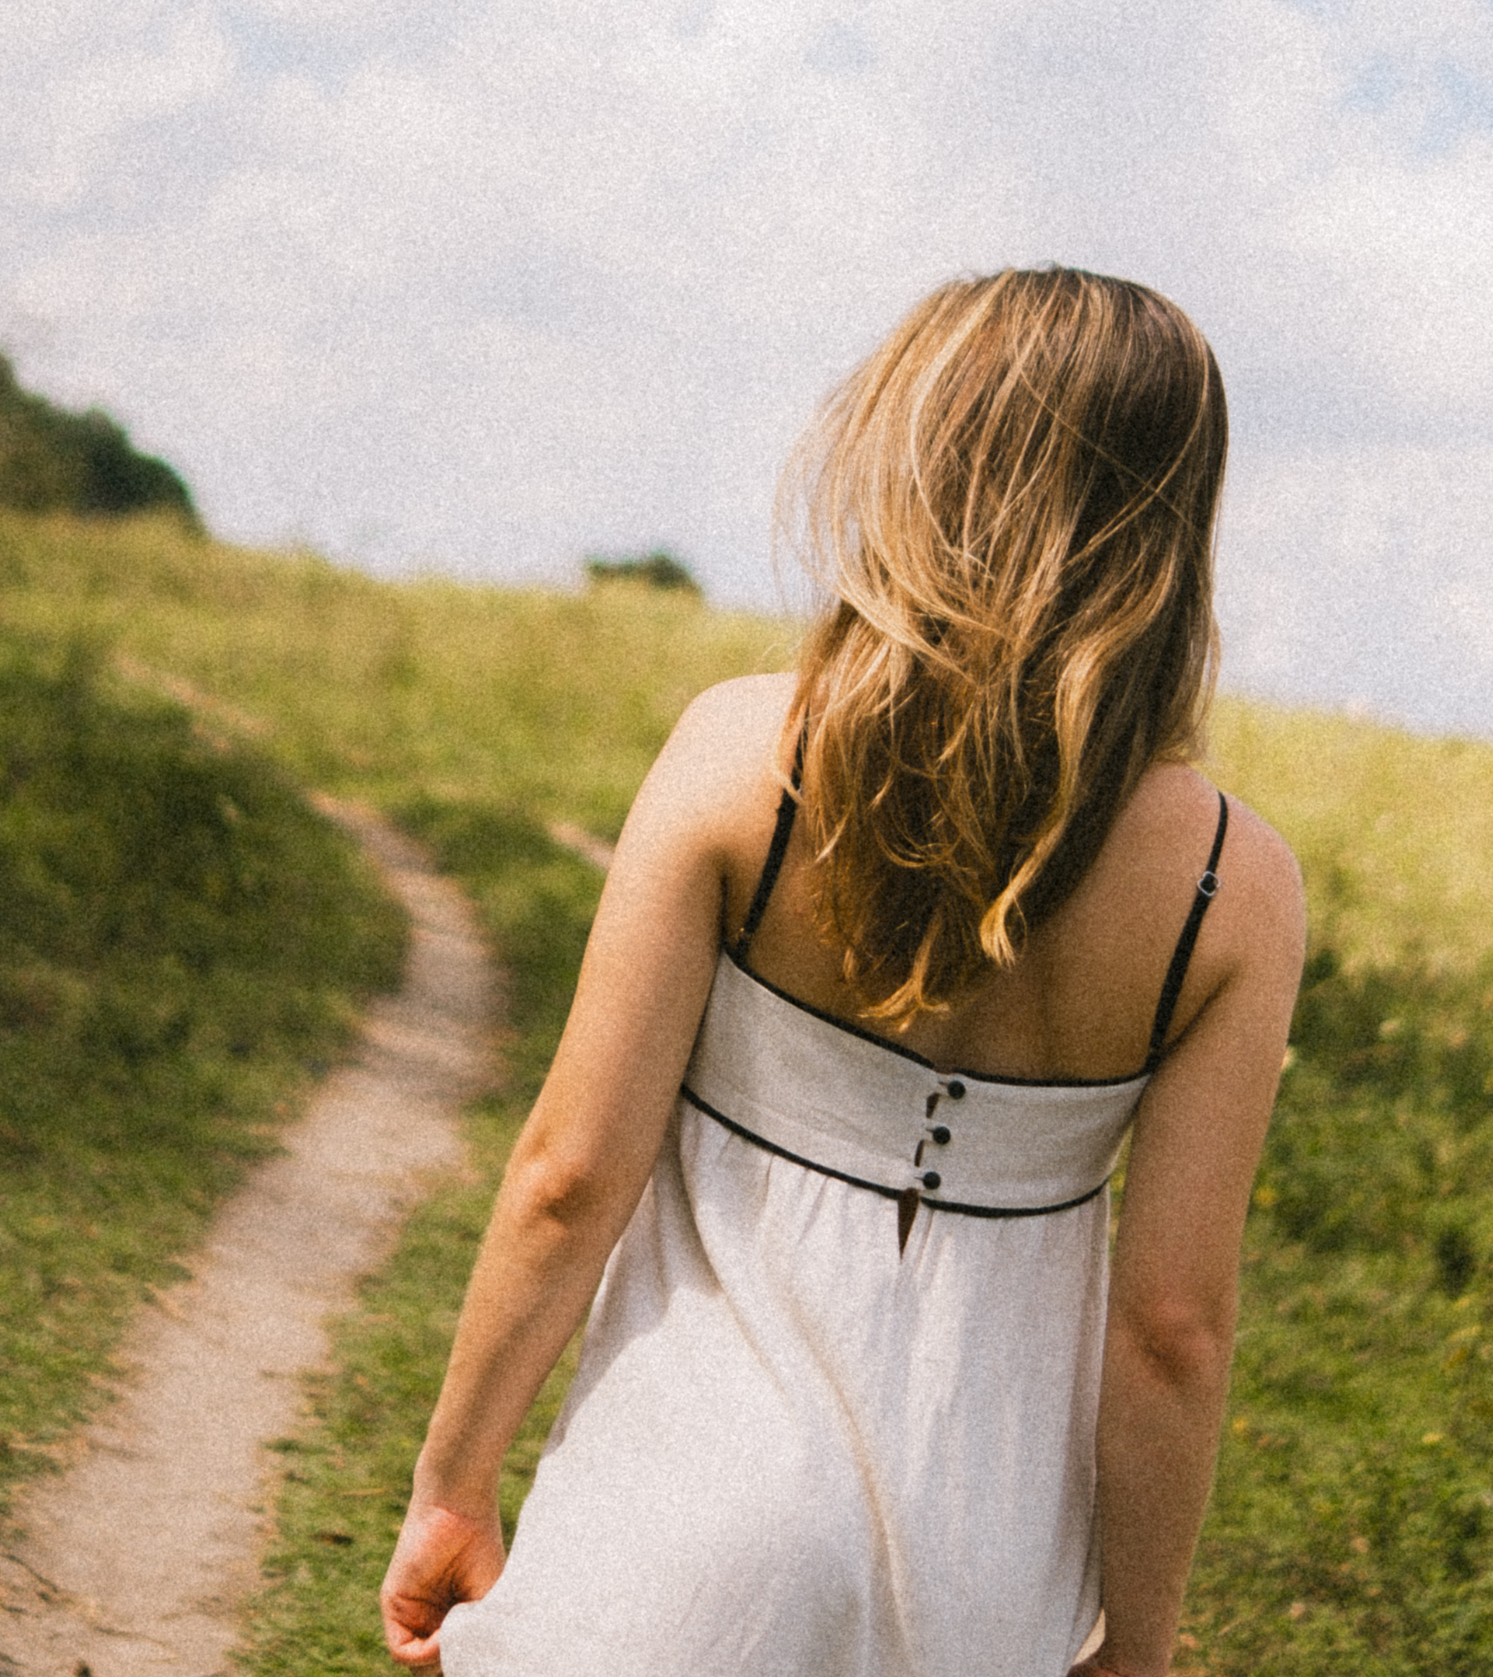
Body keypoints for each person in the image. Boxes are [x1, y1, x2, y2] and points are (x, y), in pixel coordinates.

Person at [380, 267, 1305, 1677]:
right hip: (988, 1584)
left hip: (678, 1526)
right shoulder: (1232, 893)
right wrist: (1141, 1643)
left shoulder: (744, 758)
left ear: (923, 458)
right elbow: (1172, 1327)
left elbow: (568, 1175)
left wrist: (452, 1484)